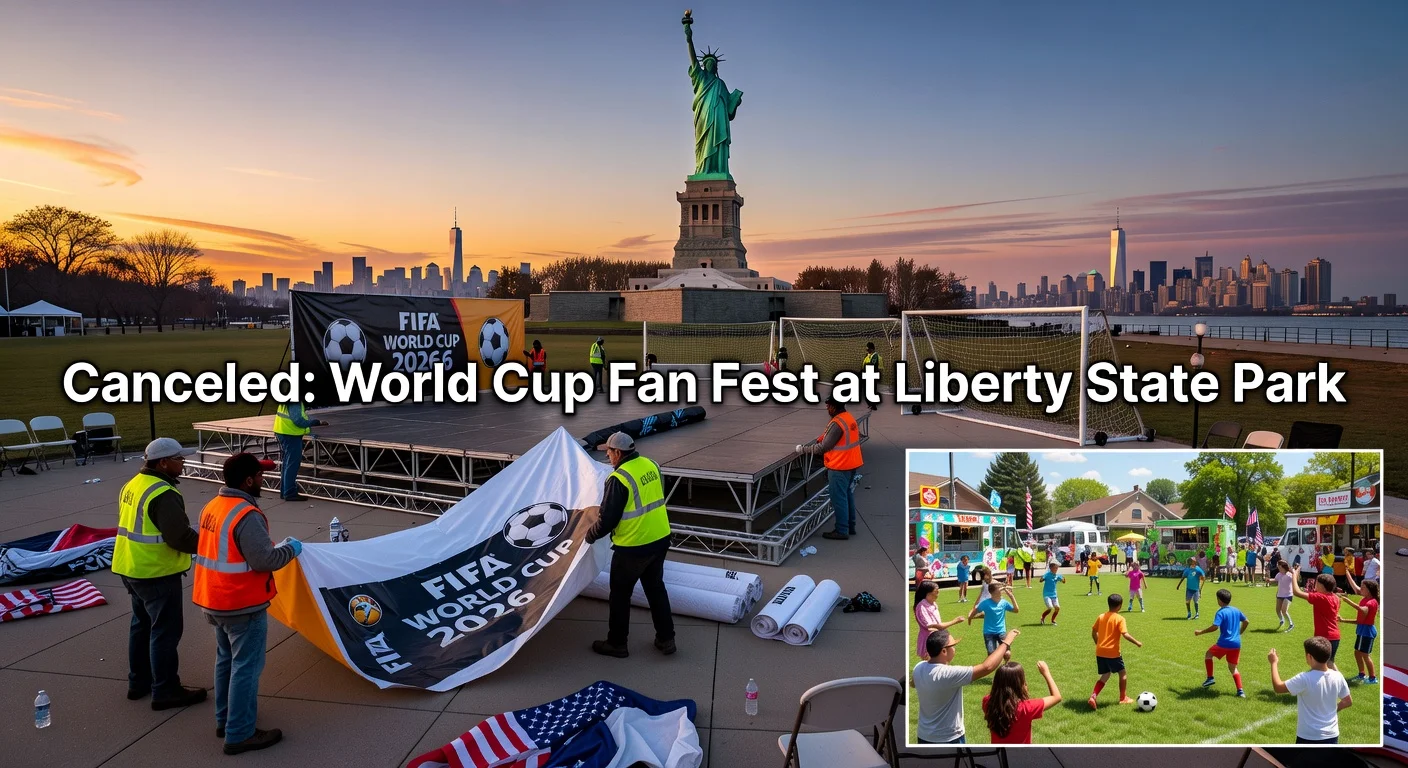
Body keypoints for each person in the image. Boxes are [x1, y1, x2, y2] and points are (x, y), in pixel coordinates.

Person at [193, 452, 303, 755]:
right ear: (248, 480)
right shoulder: (246, 514)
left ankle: (226, 719)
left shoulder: (212, 506)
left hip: (214, 599)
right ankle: (239, 734)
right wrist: (292, 549)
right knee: (246, 668)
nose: (263, 478)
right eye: (259, 474)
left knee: (226, 660)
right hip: (241, 604)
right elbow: (264, 560)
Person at [113, 437, 207, 710]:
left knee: (141, 626)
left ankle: (138, 683)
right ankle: (165, 690)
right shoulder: (163, 493)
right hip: (156, 572)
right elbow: (178, 537)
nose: (183, 463)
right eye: (179, 459)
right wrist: (211, 543)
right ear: (163, 462)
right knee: (165, 632)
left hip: (131, 567)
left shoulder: (132, 484)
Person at [586, 432, 674, 657]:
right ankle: (666, 640)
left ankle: (617, 643)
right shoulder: (650, 464)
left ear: (618, 452)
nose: (606, 455)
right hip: (660, 538)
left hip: (633, 547)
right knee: (656, 590)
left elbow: (607, 520)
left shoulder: (619, 478)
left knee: (620, 596)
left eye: (609, 451)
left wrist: (590, 535)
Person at [912, 627, 1020, 745]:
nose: (954, 648)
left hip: (923, 736)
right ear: (943, 651)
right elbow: (987, 667)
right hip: (949, 739)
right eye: (952, 645)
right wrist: (1006, 642)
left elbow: (913, 683)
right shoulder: (948, 674)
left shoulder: (919, 667)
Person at [798, 396, 863, 541]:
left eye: (829, 406)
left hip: (840, 466)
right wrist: (823, 437)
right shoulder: (847, 417)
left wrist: (804, 450)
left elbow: (823, 448)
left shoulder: (838, 423)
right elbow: (832, 437)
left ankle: (841, 530)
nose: (827, 408)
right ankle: (850, 527)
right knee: (847, 495)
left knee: (838, 498)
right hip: (852, 463)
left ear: (835, 406)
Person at [1268, 638, 1352, 744]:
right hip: (1332, 735)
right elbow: (1347, 701)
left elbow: (1278, 687)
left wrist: (1273, 662)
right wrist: (1332, 711)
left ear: (1309, 656)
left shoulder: (1304, 678)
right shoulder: (1337, 675)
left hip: (1308, 736)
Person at [982, 661, 1061, 745]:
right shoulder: (1027, 708)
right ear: (1020, 684)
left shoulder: (987, 701)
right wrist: (1046, 673)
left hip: (1000, 753)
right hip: (1022, 753)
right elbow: (1057, 697)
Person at [1089, 593, 1143, 709]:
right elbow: (1125, 634)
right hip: (1112, 652)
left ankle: (1093, 696)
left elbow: (1093, 631)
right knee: (1122, 673)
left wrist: (1098, 643)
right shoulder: (1120, 618)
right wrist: (1137, 642)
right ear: (1120, 606)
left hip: (1100, 651)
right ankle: (1123, 698)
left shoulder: (1101, 616)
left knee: (1105, 674)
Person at [1195, 588, 1250, 697]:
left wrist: (1201, 632)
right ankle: (1240, 691)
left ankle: (1210, 678)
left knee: (1208, 654)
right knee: (1233, 668)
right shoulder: (1236, 610)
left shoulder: (1221, 612)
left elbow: (1215, 627)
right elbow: (1246, 621)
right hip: (1236, 644)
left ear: (1220, 600)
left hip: (1224, 643)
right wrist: (1240, 633)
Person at [272, 401, 327, 502]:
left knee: (287, 463)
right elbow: (298, 420)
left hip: (284, 431)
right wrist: (314, 423)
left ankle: (285, 491)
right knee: (292, 464)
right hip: (290, 434)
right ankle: (289, 492)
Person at [1289, 568, 1341, 671]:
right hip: (1335, 636)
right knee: (1329, 662)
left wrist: (1294, 575)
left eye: (1317, 582)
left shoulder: (1320, 597)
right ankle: (1337, 684)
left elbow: (1296, 592)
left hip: (1325, 636)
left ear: (1322, 585)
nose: (1315, 584)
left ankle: (1340, 683)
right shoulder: (1336, 597)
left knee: (1324, 663)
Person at [1341, 569, 1379, 684]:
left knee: (1365, 655)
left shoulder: (1371, 602)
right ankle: (1361, 674)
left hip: (1367, 632)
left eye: (1363, 588)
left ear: (1369, 590)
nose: (1360, 589)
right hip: (1362, 630)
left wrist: (1348, 601)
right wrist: (1347, 573)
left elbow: (1363, 611)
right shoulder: (1365, 599)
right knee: (1357, 652)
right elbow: (1359, 621)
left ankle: (1372, 678)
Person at [967, 582, 1019, 659]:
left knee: (1007, 654)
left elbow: (1016, 610)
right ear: (993, 592)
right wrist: (970, 618)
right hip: (988, 633)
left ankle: (1005, 666)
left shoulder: (1003, 602)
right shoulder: (985, 603)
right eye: (1000, 590)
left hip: (1001, 632)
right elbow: (975, 611)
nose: (1002, 591)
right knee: (991, 655)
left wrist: (1011, 596)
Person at [914, 581, 965, 660]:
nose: (938, 594)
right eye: (936, 591)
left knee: (942, 661)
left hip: (938, 638)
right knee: (930, 665)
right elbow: (932, 626)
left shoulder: (933, 604)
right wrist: (955, 621)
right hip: (929, 641)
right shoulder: (921, 607)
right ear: (928, 593)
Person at [1267, 559, 1297, 632]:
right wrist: (1269, 580)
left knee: (1284, 611)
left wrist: (1294, 571)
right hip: (1280, 594)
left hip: (1288, 595)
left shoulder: (1290, 575)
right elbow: (1275, 580)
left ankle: (1291, 624)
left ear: (1282, 566)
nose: (1278, 567)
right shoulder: (1279, 574)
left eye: (1279, 566)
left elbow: (1295, 579)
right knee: (1277, 610)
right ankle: (1282, 621)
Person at [1175, 556, 1207, 620]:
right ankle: (1189, 613)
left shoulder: (1198, 569)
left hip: (1196, 589)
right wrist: (1178, 585)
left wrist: (1200, 588)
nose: (1192, 561)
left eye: (1193, 560)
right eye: (1191, 560)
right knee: (1187, 602)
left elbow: (1203, 578)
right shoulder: (1187, 570)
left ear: (1195, 562)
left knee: (1196, 602)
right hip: (1189, 589)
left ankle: (1197, 613)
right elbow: (1183, 577)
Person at [1039, 561, 1065, 625]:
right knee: (1050, 607)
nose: (1056, 569)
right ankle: (1042, 617)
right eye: (1055, 568)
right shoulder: (1047, 575)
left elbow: (1063, 581)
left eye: (1057, 568)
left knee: (1057, 608)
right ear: (1051, 568)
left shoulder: (1057, 576)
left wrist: (1063, 579)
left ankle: (1053, 620)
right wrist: (1042, 578)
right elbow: (1040, 580)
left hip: (1054, 595)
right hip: (1047, 594)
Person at [861, 342, 881, 411]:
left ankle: (873, 405)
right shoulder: (867, 355)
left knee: (872, 390)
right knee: (866, 390)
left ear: (872, 349)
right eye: (866, 349)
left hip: (872, 375)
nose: (867, 350)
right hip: (867, 374)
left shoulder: (875, 356)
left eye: (868, 349)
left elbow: (871, 365)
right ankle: (870, 404)